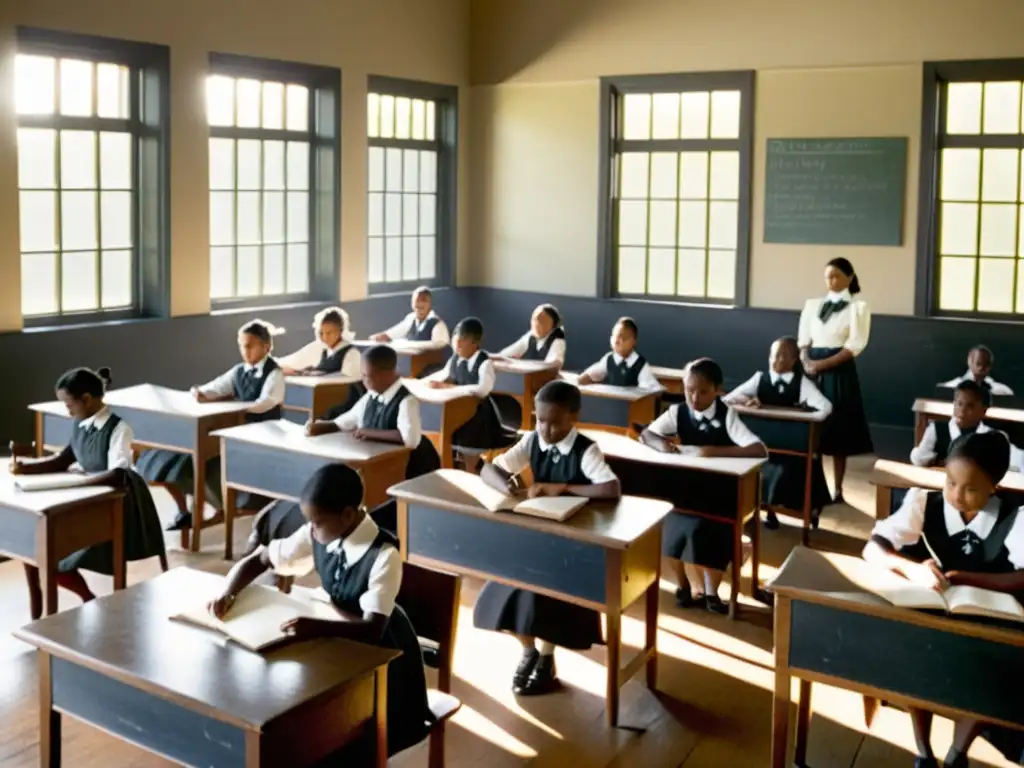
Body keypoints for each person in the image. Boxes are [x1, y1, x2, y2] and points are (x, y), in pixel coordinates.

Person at [208, 463, 431, 758]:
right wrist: (229, 592)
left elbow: (372, 629)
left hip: (383, 658)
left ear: (348, 515)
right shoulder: (320, 530)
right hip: (334, 639)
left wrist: (314, 627)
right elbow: (260, 559)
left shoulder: (384, 555)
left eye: (317, 523)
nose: (311, 530)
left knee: (343, 735)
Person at [863, 431, 1024, 768]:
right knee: (915, 658)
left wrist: (965, 578)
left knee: (988, 669)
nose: (956, 495)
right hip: (928, 618)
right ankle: (923, 750)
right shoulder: (923, 502)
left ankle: (957, 752)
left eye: (971, 489)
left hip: (984, 625)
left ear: (994, 486)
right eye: (950, 482)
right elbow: (873, 548)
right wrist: (910, 569)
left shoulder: (1016, 516)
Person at [474, 380, 621, 694]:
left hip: (571, 544)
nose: (546, 429)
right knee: (503, 594)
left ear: (573, 418)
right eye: (540, 420)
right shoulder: (531, 441)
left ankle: (547, 656)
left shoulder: (585, 449)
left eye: (555, 423)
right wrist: (507, 488)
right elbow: (489, 469)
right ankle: (529, 650)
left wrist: (563, 488)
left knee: (546, 598)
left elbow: (611, 489)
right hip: (538, 535)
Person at [11, 367, 164, 609]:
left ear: (86, 399)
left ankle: (88, 599)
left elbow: (118, 474)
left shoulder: (118, 428)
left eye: (69, 403)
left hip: (118, 502)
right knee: (42, 551)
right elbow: (63, 459)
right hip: (87, 495)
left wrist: (80, 482)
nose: (67, 410)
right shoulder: (80, 423)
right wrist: (27, 470)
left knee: (57, 559)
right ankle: (88, 599)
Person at [640, 358, 767, 614]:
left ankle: (712, 593)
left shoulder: (726, 414)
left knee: (712, 534)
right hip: (685, 490)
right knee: (670, 529)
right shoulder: (678, 412)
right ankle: (683, 585)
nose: (694, 398)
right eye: (689, 390)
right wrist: (662, 445)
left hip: (718, 492)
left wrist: (714, 451)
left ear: (717, 391)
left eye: (703, 391)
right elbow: (647, 434)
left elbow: (758, 449)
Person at [136, 318, 285, 531]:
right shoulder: (238, 371)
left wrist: (238, 407)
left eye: (250, 346)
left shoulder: (274, 373)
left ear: (266, 346)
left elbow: (266, 403)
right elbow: (216, 387)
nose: (245, 351)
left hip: (261, 432)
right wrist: (201, 392)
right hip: (236, 429)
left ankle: (224, 505)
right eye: (242, 346)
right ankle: (190, 510)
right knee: (174, 458)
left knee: (209, 461)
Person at [723, 336, 832, 529]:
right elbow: (727, 400)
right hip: (765, 444)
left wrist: (804, 418)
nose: (775, 360)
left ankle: (806, 511)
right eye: (773, 355)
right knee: (755, 467)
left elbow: (825, 407)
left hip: (792, 446)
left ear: (793, 360)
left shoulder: (802, 384)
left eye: (782, 356)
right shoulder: (760, 378)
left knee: (793, 470)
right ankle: (766, 511)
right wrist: (746, 400)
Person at [797, 257, 873, 505]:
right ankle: (811, 487)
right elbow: (803, 340)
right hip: (812, 370)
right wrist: (806, 361)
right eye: (828, 277)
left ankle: (837, 489)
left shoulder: (857, 308)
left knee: (838, 431)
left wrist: (822, 365)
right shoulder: (813, 305)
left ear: (849, 278)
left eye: (837, 276)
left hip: (838, 370)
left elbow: (853, 346)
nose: (831, 281)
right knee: (811, 429)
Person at [425, 317, 514, 472]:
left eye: (463, 339)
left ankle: (472, 469)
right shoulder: (454, 360)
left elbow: (482, 390)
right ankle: (456, 467)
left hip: (478, 415)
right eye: (455, 338)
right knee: (446, 430)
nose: (457, 343)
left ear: (475, 343)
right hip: (457, 413)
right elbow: (441, 376)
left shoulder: (485, 363)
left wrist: (448, 387)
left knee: (469, 439)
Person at [577, 317, 661, 390]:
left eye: (623, 338)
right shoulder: (609, 359)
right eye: (614, 336)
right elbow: (587, 376)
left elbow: (650, 390)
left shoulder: (640, 364)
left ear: (634, 341)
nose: (617, 341)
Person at [276, 306, 359, 377]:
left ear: (340, 331)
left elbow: (346, 380)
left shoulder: (350, 353)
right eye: (321, 333)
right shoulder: (325, 351)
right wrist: (301, 372)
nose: (325, 337)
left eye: (329, 333)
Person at [370, 285, 450, 346]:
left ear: (429, 305)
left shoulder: (438, 326)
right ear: (412, 304)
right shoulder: (411, 318)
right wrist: (382, 336)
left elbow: (441, 352)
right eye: (416, 307)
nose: (419, 310)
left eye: (422, 307)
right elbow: (395, 332)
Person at [496, 303, 566, 366]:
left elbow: (554, 364)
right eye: (534, 320)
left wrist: (522, 364)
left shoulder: (558, 341)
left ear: (552, 325)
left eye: (542, 321)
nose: (536, 325)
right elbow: (507, 353)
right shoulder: (530, 336)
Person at [940, 344, 1014, 397]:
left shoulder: (1003, 391)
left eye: (986, 364)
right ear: (969, 361)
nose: (981, 368)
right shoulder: (950, 387)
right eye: (978, 363)